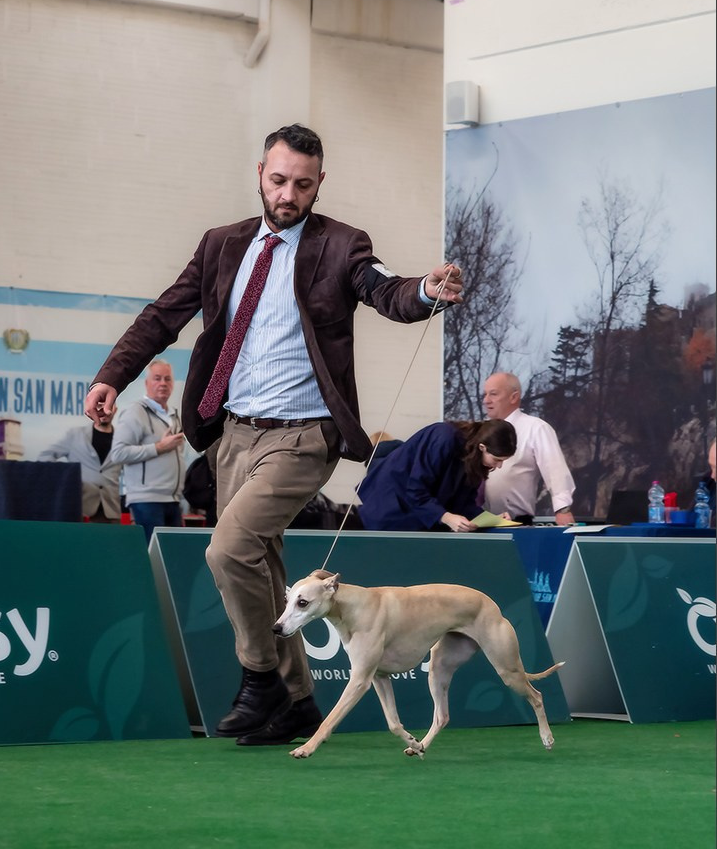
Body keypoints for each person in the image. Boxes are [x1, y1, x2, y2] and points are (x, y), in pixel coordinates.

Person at [84, 123, 463, 747]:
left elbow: (384, 289)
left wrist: (426, 291)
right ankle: (296, 704)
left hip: (304, 436)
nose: (289, 195)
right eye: (279, 180)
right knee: (263, 566)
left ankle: (259, 676)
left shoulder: (343, 246)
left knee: (227, 549)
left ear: (320, 184)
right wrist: (113, 376)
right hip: (232, 434)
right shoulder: (220, 245)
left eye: (304, 185)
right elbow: (163, 316)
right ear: (261, 172)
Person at [356, 418, 517, 532]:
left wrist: (493, 520)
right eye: (497, 459)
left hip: (417, 518)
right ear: (482, 447)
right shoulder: (443, 438)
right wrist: (445, 516)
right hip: (392, 512)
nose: (499, 466)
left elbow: (464, 504)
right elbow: (416, 491)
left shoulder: (473, 460)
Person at [108, 359, 187, 544]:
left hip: (173, 499)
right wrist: (159, 447)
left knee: (171, 559)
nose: (163, 383)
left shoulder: (173, 415)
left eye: (167, 379)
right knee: (153, 561)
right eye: (157, 378)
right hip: (147, 500)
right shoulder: (135, 413)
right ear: (146, 383)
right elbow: (118, 453)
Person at [482, 371, 575, 525]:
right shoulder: (479, 430)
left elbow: (555, 471)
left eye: (493, 394)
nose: (486, 400)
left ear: (513, 397)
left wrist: (562, 510)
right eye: (484, 394)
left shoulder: (536, 428)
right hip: (478, 523)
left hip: (516, 524)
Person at [37, 406, 122, 523]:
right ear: (93, 409)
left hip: (111, 510)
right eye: (100, 407)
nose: (104, 411)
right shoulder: (75, 435)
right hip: (79, 508)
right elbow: (45, 456)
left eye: (109, 407)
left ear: (115, 409)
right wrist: (64, 480)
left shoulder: (123, 439)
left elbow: (133, 475)